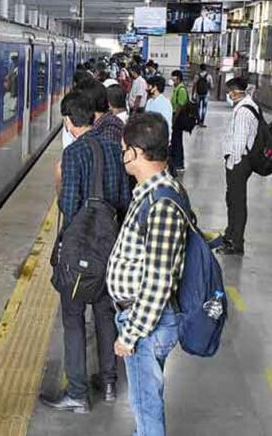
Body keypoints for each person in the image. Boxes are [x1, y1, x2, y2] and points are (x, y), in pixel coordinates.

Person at [41, 92, 131, 413]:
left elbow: (68, 206)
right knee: (105, 313)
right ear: (93, 117)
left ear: (68, 121)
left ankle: (77, 393)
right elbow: (124, 199)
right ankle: (108, 383)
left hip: (79, 250)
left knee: (73, 315)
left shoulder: (73, 153)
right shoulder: (115, 150)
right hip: (110, 245)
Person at [108, 112, 189, 436]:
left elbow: (158, 281)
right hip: (142, 320)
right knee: (144, 401)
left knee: (145, 406)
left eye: (123, 150)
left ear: (136, 152)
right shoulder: (149, 191)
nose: (122, 155)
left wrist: (130, 335)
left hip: (145, 326)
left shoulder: (161, 204)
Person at [218, 77, 258, 256]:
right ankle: (231, 234)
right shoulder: (248, 106)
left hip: (239, 163)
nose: (229, 95)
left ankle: (236, 243)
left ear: (236, 92)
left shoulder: (243, 111)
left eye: (230, 91)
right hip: (241, 162)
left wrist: (232, 163)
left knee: (236, 203)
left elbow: (240, 143)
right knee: (233, 200)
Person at [169, 70, 189, 172]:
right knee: (175, 140)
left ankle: (179, 163)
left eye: (174, 78)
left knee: (177, 140)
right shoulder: (176, 88)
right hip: (175, 116)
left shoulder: (181, 89)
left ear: (178, 78)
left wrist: (174, 119)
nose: (172, 80)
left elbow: (180, 106)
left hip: (178, 118)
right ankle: (175, 162)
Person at [144, 75, 173, 141]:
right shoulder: (149, 101)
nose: (146, 88)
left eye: (148, 86)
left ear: (155, 87)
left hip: (159, 139)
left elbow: (164, 124)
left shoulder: (164, 103)